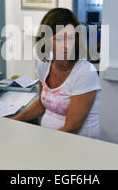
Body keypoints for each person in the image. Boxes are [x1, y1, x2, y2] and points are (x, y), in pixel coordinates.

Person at [12, 8, 102, 139]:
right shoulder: (44, 66)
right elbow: (42, 104)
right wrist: (16, 120)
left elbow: (71, 129)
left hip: (78, 144)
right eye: (58, 39)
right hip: (52, 139)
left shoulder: (85, 72)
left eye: (70, 38)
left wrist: (42, 142)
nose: (66, 46)